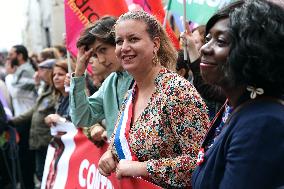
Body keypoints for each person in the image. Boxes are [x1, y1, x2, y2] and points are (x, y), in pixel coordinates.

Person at [98, 11, 209, 188]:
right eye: (119, 41)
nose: (124, 47)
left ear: (155, 44)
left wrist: (144, 168)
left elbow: (202, 163)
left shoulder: (176, 91)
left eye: (133, 39)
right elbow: (125, 141)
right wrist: (110, 154)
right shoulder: (131, 94)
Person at [192, 0, 284, 188]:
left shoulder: (261, 123)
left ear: (253, 51)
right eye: (208, 38)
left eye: (220, 41)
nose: (204, 48)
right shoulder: (241, 109)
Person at [70, 16, 133, 141]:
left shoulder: (143, 75)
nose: (101, 60)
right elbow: (82, 117)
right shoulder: (110, 82)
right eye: (95, 55)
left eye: (103, 50)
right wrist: (78, 73)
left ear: (119, 42)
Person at [9, 59, 57, 185]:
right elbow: (35, 109)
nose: (37, 72)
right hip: (39, 140)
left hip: (48, 140)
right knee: (42, 173)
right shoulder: (46, 88)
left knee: (48, 174)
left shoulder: (55, 90)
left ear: (50, 71)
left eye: (42, 69)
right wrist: (14, 121)